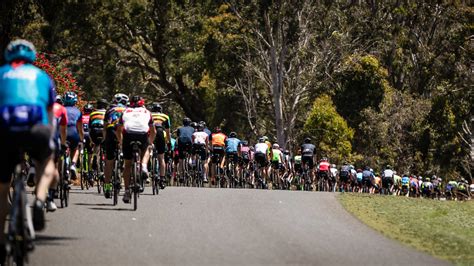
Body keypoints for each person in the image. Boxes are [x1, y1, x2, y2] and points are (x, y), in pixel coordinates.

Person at [0, 40, 57, 261]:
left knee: (2, 189)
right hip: (36, 128)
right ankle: (40, 200)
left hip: (5, 129)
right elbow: (51, 113)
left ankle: (1, 241)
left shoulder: (1, 73)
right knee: (47, 162)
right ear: (32, 57)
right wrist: (50, 140)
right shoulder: (41, 76)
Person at [116, 96, 155, 203]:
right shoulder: (147, 112)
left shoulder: (125, 111)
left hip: (128, 136)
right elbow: (153, 131)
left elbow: (118, 129)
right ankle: (143, 166)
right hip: (142, 135)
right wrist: (150, 143)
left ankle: (127, 190)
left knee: (127, 164)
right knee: (147, 147)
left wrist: (121, 142)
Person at [103, 93, 128, 198]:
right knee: (128, 157)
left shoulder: (109, 110)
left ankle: (107, 187)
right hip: (122, 131)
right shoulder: (127, 110)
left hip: (110, 131)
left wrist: (104, 140)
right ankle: (122, 165)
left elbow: (104, 127)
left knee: (109, 161)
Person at [150, 102, 171, 189]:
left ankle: (146, 173)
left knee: (148, 153)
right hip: (161, 133)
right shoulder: (165, 116)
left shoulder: (149, 115)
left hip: (151, 133)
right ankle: (162, 179)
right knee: (161, 157)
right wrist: (168, 141)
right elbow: (168, 131)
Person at [64, 91, 84, 180]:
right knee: (75, 149)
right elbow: (80, 128)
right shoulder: (78, 111)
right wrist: (82, 138)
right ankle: (73, 164)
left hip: (63, 133)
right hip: (74, 133)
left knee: (60, 151)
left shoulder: (61, 109)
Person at [89, 99, 107, 178]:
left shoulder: (92, 113)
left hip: (94, 130)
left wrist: (90, 139)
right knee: (106, 145)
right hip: (103, 129)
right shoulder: (107, 112)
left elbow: (89, 127)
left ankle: (95, 156)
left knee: (97, 144)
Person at [176, 118, 194, 182]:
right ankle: (190, 161)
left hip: (181, 142)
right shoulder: (192, 129)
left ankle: (181, 176)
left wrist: (177, 146)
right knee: (190, 153)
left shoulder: (179, 128)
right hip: (189, 142)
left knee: (180, 159)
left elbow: (178, 137)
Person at [82, 103, 94, 185]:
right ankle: (90, 172)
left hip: (82, 135)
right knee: (90, 154)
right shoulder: (92, 116)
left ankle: (80, 161)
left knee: (80, 151)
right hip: (90, 136)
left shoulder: (81, 116)